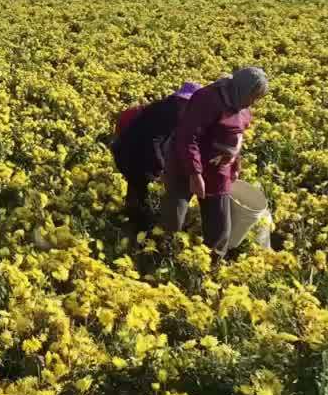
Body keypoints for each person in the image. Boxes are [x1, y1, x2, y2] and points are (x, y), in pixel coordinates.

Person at [162, 67, 269, 256]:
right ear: (243, 88)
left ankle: (210, 268)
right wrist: (195, 174)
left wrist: (236, 163)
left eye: (257, 98)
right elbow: (187, 137)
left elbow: (236, 139)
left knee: (220, 228)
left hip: (218, 171)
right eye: (253, 96)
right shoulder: (207, 99)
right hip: (185, 165)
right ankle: (163, 255)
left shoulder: (242, 108)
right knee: (174, 217)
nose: (253, 102)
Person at [110, 81, 203, 233]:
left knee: (137, 186)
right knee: (139, 188)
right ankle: (136, 224)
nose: (189, 108)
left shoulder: (170, 110)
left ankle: (132, 214)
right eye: (186, 103)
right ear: (179, 100)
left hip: (134, 152)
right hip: (132, 153)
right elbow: (152, 141)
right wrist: (160, 166)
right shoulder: (165, 114)